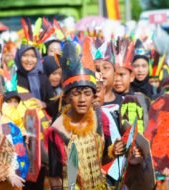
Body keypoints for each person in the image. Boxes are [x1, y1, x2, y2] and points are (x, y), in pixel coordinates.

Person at [46, 38, 110, 189]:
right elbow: (55, 177)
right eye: (76, 93)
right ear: (67, 97)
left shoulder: (100, 118)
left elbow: (108, 157)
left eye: (87, 93)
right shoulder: (57, 130)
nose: (82, 100)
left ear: (94, 96)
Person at [15, 44, 56, 117]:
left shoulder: (43, 78)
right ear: (19, 56)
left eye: (33, 56)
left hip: (42, 122)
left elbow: (53, 104)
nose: (29, 60)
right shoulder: (14, 77)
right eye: (25, 55)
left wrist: (43, 104)